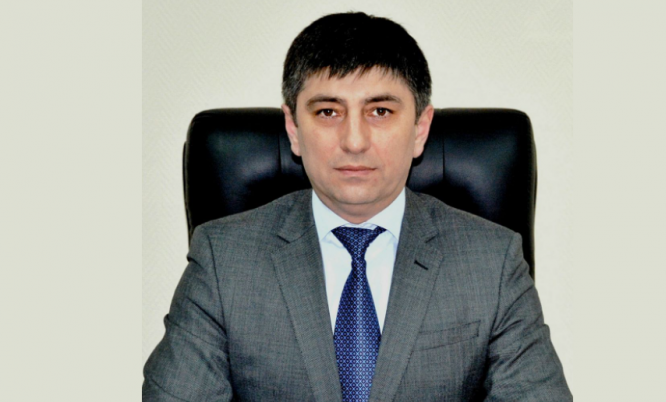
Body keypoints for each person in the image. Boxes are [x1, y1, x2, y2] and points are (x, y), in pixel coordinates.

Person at [143, 12, 572, 401]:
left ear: (420, 129)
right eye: (328, 112)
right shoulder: (223, 260)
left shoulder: (492, 263)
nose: (354, 141)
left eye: (380, 111)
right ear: (293, 128)